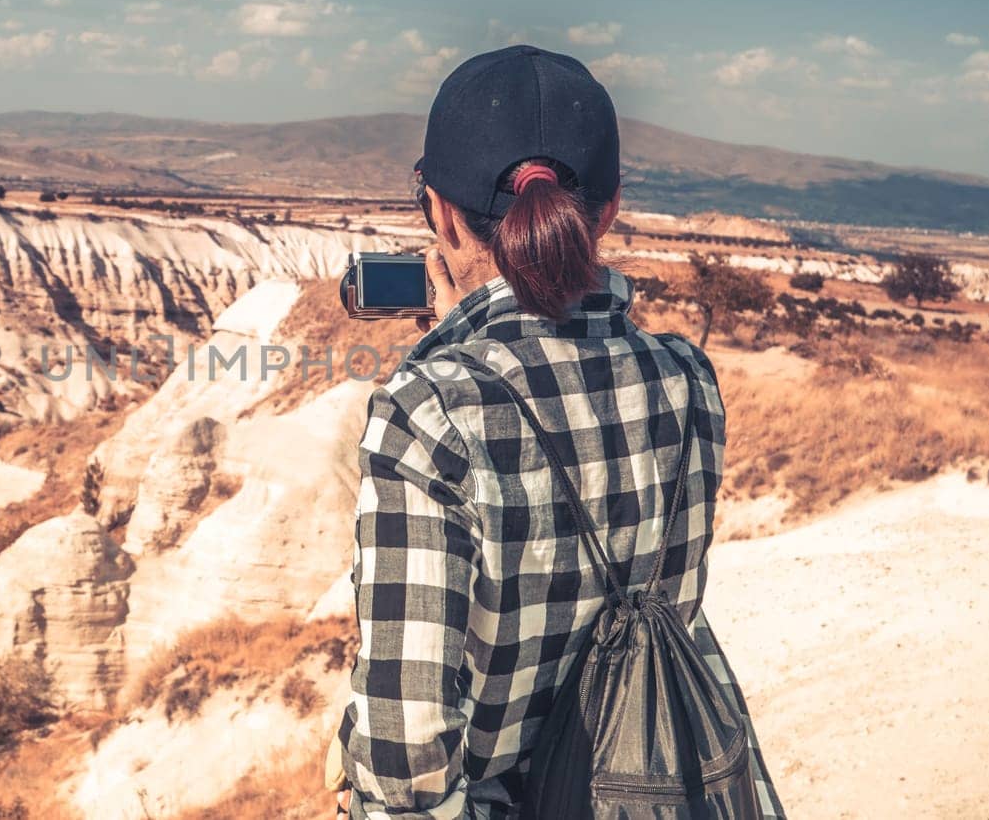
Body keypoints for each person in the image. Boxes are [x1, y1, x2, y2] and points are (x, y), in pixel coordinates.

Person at [332, 46, 784, 819]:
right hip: (658, 791)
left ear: (438, 210)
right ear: (605, 211)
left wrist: (450, 354)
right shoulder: (688, 380)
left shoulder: (429, 412)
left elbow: (407, 769)